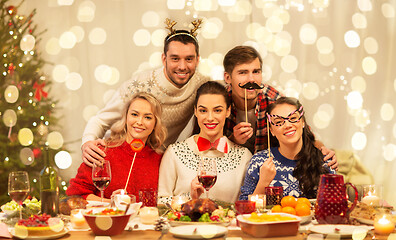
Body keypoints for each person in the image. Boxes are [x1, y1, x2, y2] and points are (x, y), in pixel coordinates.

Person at [82, 19, 209, 167]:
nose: (182, 66)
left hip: (157, 162)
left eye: (189, 59)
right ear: (164, 59)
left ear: (198, 60)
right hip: (121, 158)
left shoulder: (202, 86)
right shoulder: (139, 85)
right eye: (175, 59)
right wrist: (87, 142)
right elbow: (100, 120)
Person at [223, 45, 338, 169]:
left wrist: (324, 151)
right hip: (230, 169)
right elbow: (206, 146)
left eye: (256, 72)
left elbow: (306, 137)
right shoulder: (218, 102)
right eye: (243, 72)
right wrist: (232, 140)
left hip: (268, 170)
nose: (251, 79)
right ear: (228, 78)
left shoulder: (275, 102)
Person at [158, 81, 252, 204]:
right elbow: (161, 201)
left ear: (228, 111)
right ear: (195, 111)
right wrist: (189, 198)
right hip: (186, 223)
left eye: (217, 110)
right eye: (203, 111)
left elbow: (248, 204)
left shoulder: (244, 156)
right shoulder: (174, 153)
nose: (210, 118)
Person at [66, 93, 167, 201]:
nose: (139, 122)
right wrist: (112, 203)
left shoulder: (161, 160)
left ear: (155, 123)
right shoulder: (103, 151)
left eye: (147, 117)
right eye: (134, 114)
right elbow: (76, 195)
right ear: (126, 117)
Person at [239, 97, 335, 200]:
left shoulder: (324, 161)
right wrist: (263, 182)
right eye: (279, 122)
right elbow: (245, 208)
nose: (287, 125)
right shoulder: (259, 161)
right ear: (271, 130)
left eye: (293, 118)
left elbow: (335, 205)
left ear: (303, 122)